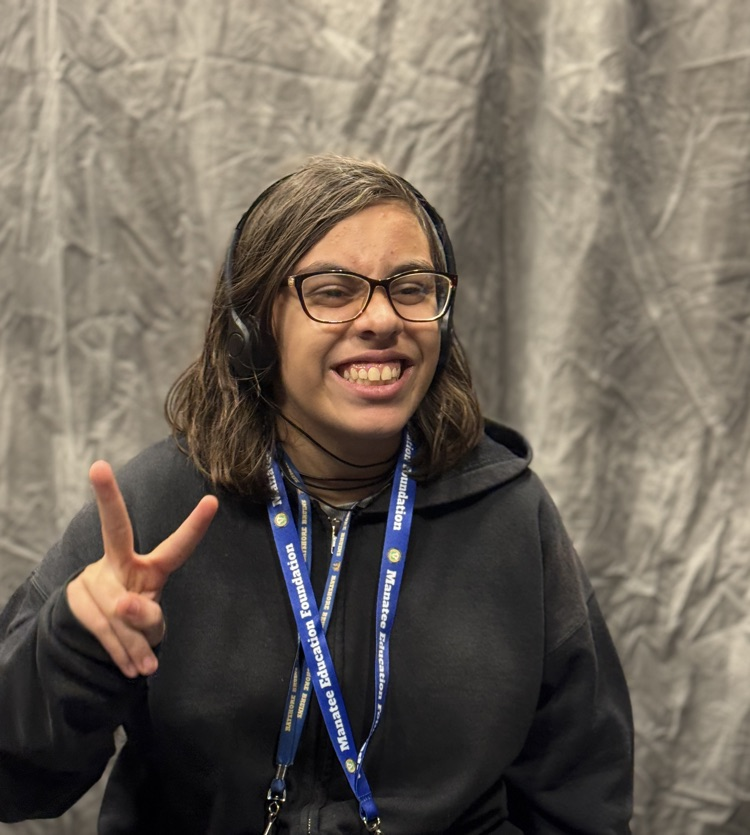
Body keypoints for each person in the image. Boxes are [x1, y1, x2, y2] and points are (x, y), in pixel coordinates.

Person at [0, 154, 633, 834]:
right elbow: (13, 782)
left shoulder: (511, 513)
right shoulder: (157, 506)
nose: (382, 318)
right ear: (252, 329)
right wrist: (73, 649)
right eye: (333, 291)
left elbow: (581, 802)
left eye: (411, 288)